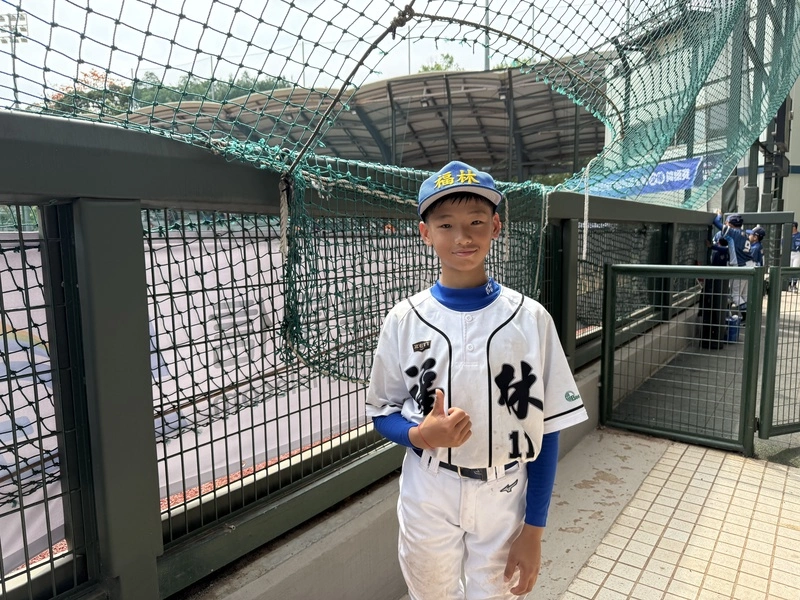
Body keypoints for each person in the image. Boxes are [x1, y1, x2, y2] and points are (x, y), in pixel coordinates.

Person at [365, 160, 589, 600]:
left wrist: (534, 530)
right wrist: (419, 435)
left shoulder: (531, 318)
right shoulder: (404, 319)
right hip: (429, 485)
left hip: (505, 489)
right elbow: (382, 412)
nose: (462, 237)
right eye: (445, 224)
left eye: (476, 222)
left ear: (496, 227)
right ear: (425, 233)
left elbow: (547, 428)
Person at [712, 210, 755, 321]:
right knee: (744, 295)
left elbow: (716, 222)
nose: (725, 224)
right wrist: (712, 247)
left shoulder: (733, 232)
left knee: (735, 295)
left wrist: (719, 214)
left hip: (741, 267)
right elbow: (729, 250)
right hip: (749, 265)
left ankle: (747, 318)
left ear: (731, 224)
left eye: (727, 222)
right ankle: (751, 318)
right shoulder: (744, 233)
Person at [790, 222, 800, 292]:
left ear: (795, 227)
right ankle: (789, 285)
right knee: (789, 269)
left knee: (795, 268)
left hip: (797, 253)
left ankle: (794, 285)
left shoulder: (799, 235)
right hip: (789, 253)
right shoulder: (788, 235)